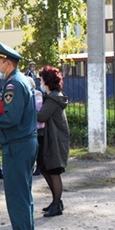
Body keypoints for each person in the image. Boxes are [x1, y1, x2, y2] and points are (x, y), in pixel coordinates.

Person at [0, 43, 38, 230]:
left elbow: (11, 118)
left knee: (17, 196)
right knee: (23, 194)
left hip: (17, 144)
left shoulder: (13, 84)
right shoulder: (20, 80)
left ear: (8, 63)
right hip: (22, 142)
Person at [37, 66, 70, 217]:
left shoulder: (53, 98)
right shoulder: (53, 97)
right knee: (45, 168)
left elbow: (41, 116)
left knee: (53, 171)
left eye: (41, 79)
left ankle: (57, 203)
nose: (40, 82)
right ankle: (56, 200)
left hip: (55, 140)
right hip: (50, 138)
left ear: (47, 81)